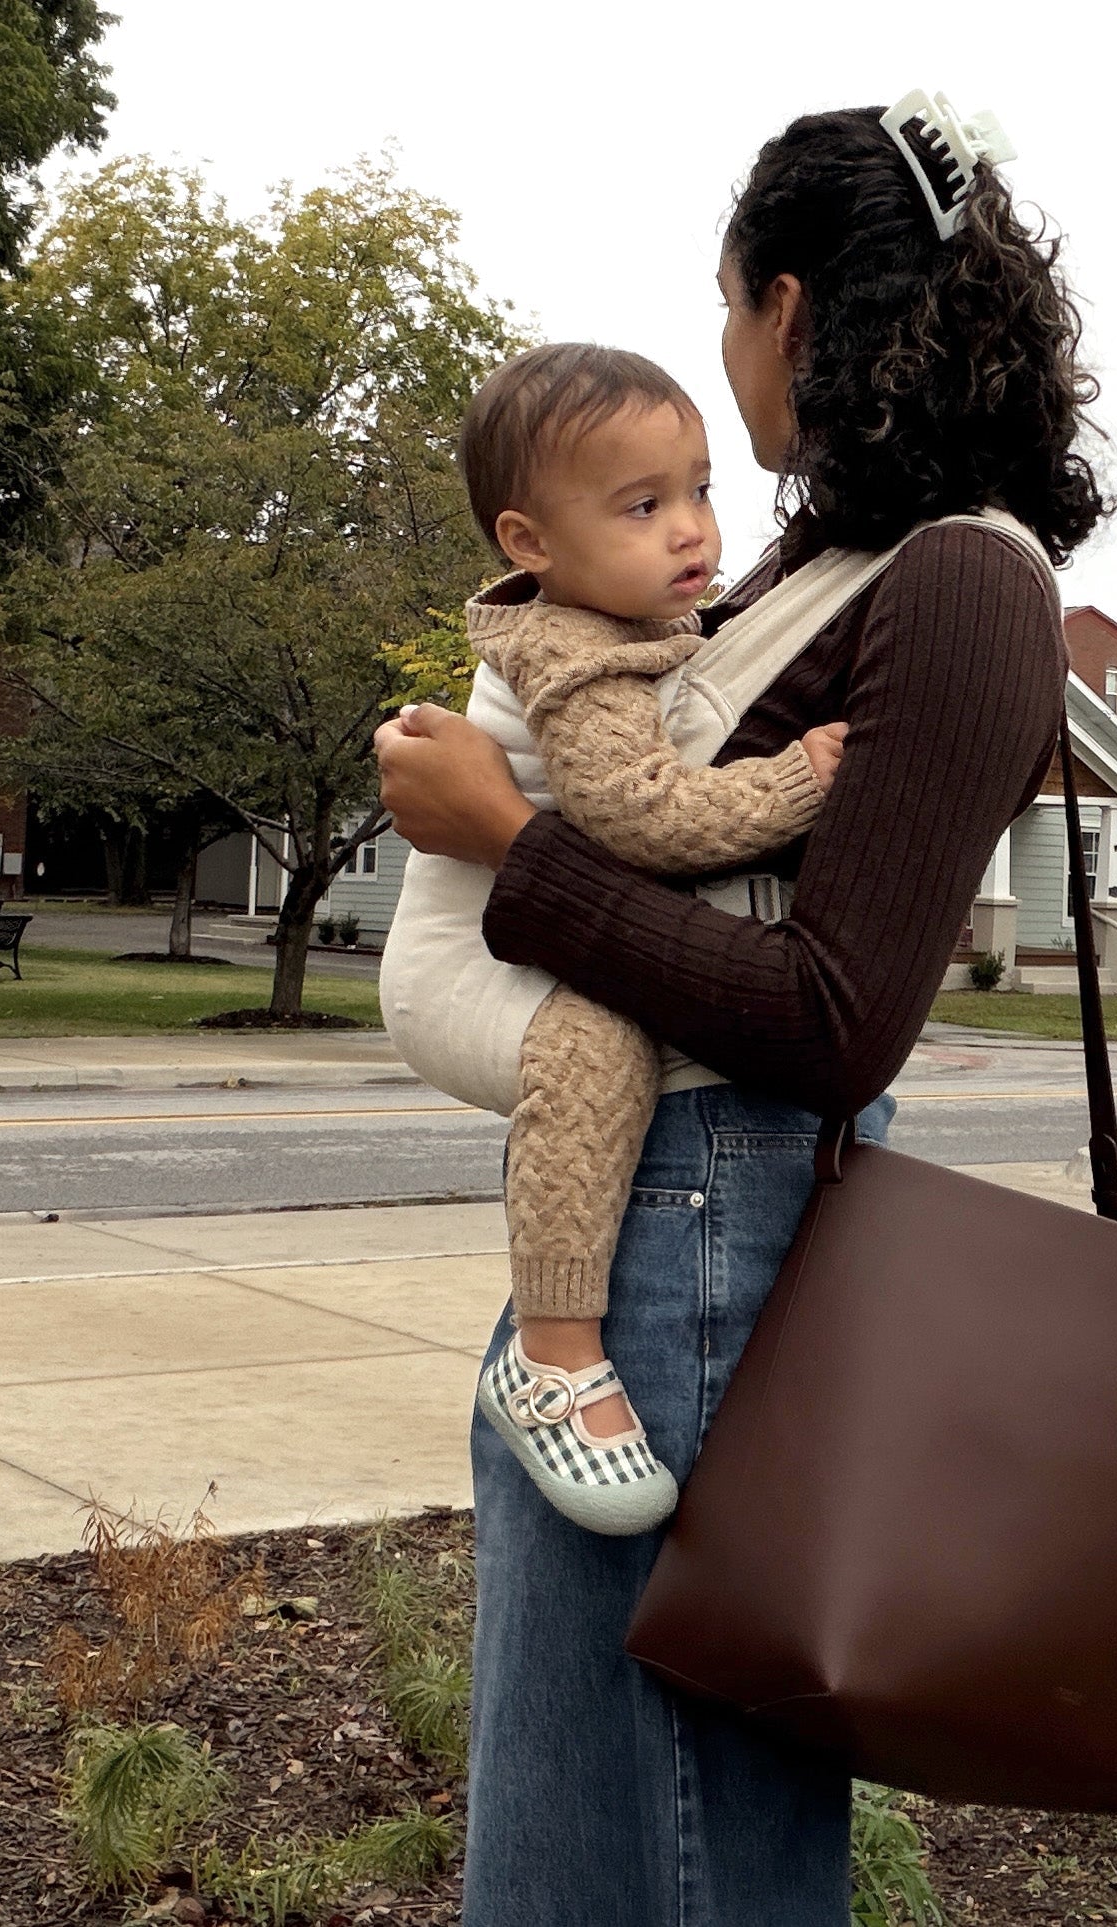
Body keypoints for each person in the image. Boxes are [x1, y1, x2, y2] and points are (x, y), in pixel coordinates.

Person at [376, 95, 1106, 1927]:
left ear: (787, 307)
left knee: (664, 1830)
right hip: (651, 1230)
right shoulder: (810, 572)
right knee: (583, 1807)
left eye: (723, 308)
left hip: (719, 1231)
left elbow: (839, 1013)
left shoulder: (960, 582)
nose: (719, 358)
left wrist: (510, 850)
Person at [435, 341, 849, 1535]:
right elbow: (637, 811)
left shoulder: (633, 615)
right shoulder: (578, 647)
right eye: (643, 504)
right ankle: (553, 1353)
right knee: (597, 1053)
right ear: (529, 544)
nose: (691, 530)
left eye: (701, 489)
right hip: (500, 959)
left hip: (535, 917)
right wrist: (795, 783)